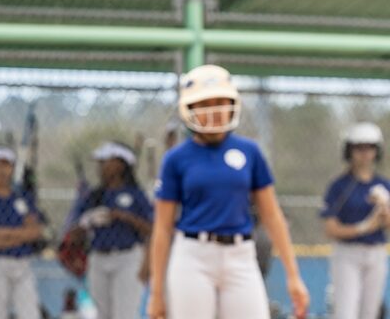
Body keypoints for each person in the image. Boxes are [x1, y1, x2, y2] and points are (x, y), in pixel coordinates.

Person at [146, 65, 309, 319]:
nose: (215, 111)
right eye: (206, 103)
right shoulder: (176, 159)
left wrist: (293, 275)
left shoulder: (249, 152)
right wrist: (157, 293)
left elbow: (272, 215)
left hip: (240, 256)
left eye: (221, 102)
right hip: (193, 256)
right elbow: (162, 228)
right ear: (189, 108)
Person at [66, 141, 152, 319]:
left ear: (120, 165)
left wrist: (123, 217)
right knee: (102, 313)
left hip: (127, 258)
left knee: (125, 313)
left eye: (105, 161)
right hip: (98, 258)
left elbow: (151, 228)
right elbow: (73, 233)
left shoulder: (136, 194)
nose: (100, 166)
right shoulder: (94, 196)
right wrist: (88, 221)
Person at [320, 122, 390, 319]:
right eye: (359, 148)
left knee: (370, 312)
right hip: (347, 254)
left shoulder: (383, 185)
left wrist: (384, 211)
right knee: (346, 311)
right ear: (349, 151)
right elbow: (330, 228)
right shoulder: (340, 186)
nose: (364, 153)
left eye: (370, 148)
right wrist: (365, 227)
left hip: (376, 252)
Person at [0, 146, 44, 319]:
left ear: (12, 169)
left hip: (22, 263)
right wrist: (21, 236)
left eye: (6, 165)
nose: (1, 170)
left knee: (30, 313)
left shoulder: (23, 198)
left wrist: (6, 233)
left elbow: (35, 232)